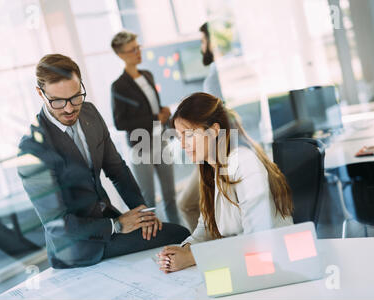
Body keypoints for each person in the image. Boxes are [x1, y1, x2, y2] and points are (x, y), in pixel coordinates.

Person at [17, 54, 190, 269]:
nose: (69, 109)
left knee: (177, 235)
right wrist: (116, 225)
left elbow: (117, 169)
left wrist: (142, 212)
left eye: (75, 97)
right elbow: (58, 226)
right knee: (178, 234)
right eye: (58, 101)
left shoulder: (89, 113)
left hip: (109, 222)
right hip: (77, 246)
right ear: (40, 94)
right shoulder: (32, 149)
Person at [156, 92, 294, 273]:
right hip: (244, 265)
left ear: (213, 131)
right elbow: (206, 226)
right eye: (179, 137)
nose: (182, 145)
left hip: (275, 264)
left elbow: (257, 240)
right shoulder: (212, 169)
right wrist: (184, 249)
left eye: (188, 135)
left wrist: (192, 257)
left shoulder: (245, 165)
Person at [110, 30, 181, 225]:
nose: (137, 52)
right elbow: (120, 122)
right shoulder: (119, 86)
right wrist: (154, 117)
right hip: (141, 146)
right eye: (132, 50)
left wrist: (163, 113)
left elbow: (151, 108)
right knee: (148, 200)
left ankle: (180, 234)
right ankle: (155, 238)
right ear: (121, 55)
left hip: (161, 140)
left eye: (138, 47)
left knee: (170, 195)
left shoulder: (148, 75)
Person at [177, 22, 224, 232]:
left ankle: (214, 243)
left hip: (217, 150)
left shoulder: (214, 78)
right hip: (216, 150)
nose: (201, 47)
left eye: (203, 40)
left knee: (186, 203)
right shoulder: (218, 73)